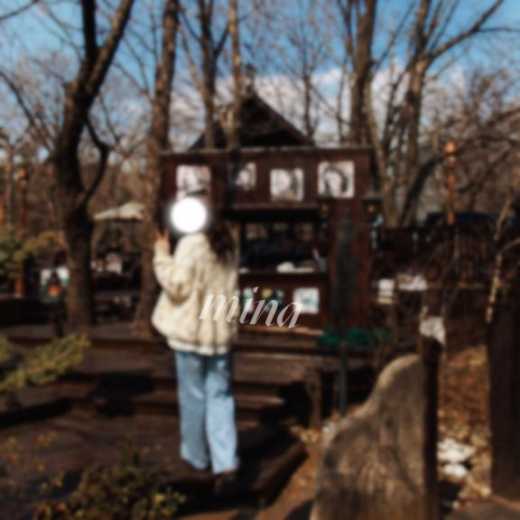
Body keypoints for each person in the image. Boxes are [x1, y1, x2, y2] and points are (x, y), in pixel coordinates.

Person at [152, 205, 240, 492]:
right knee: (221, 397)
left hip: (191, 335)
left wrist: (161, 253)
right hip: (220, 334)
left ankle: (197, 456)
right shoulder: (229, 246)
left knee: (193, 397)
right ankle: (226, 462)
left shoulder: (191, 244)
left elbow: (177, 286)